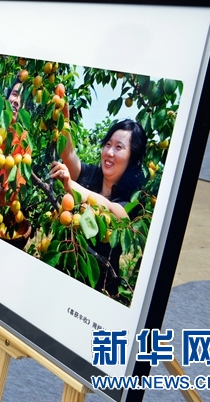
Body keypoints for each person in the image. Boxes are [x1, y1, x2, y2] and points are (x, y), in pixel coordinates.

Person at [50, 118, 147, 296]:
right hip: (67, 272)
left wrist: (70, 184)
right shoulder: (91, 175)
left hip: (100, 289)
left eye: (119, 147)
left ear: (132, 158)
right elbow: (69, 153)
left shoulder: (134, 198)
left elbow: (112, 211)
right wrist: (63, 113)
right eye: (108, 144)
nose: (109, 152)